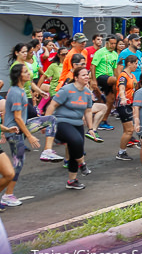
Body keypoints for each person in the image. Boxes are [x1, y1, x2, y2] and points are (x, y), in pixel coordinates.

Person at [3, 63, 58, 206]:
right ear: (19, 76)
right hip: (14, 130)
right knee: (18, 164)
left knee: (51, 119)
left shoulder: (22, 89)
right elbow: (17, 118)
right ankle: (8, 195)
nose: (29, 73)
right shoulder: (15, 92)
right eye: (26, 72)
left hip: (22, 126)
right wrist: (30, 136)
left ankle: (47, 151)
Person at [46, 66, 102, 189]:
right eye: (83, 75)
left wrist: (91, 129)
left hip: (77, 123)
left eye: (87, 75)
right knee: (76, 141)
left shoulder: (87, 92)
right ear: (76, 78)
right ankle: (82, 163)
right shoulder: (66, 90)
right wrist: (45, 122)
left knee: (74, 150)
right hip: (62, 121)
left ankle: (72, 181)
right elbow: (52, 105)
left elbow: (88, 111)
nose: (87, 77)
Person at [114, 55, 140, 162]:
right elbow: (121, 88)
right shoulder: (123, 76)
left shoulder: (132, 76)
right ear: (129, 63)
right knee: (129, 130)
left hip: (130, 104)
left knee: (128, 129)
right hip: (123, 104)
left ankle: (126, 144)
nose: (137, 66)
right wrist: (123, 97)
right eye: (135, 63)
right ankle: (121, 152)